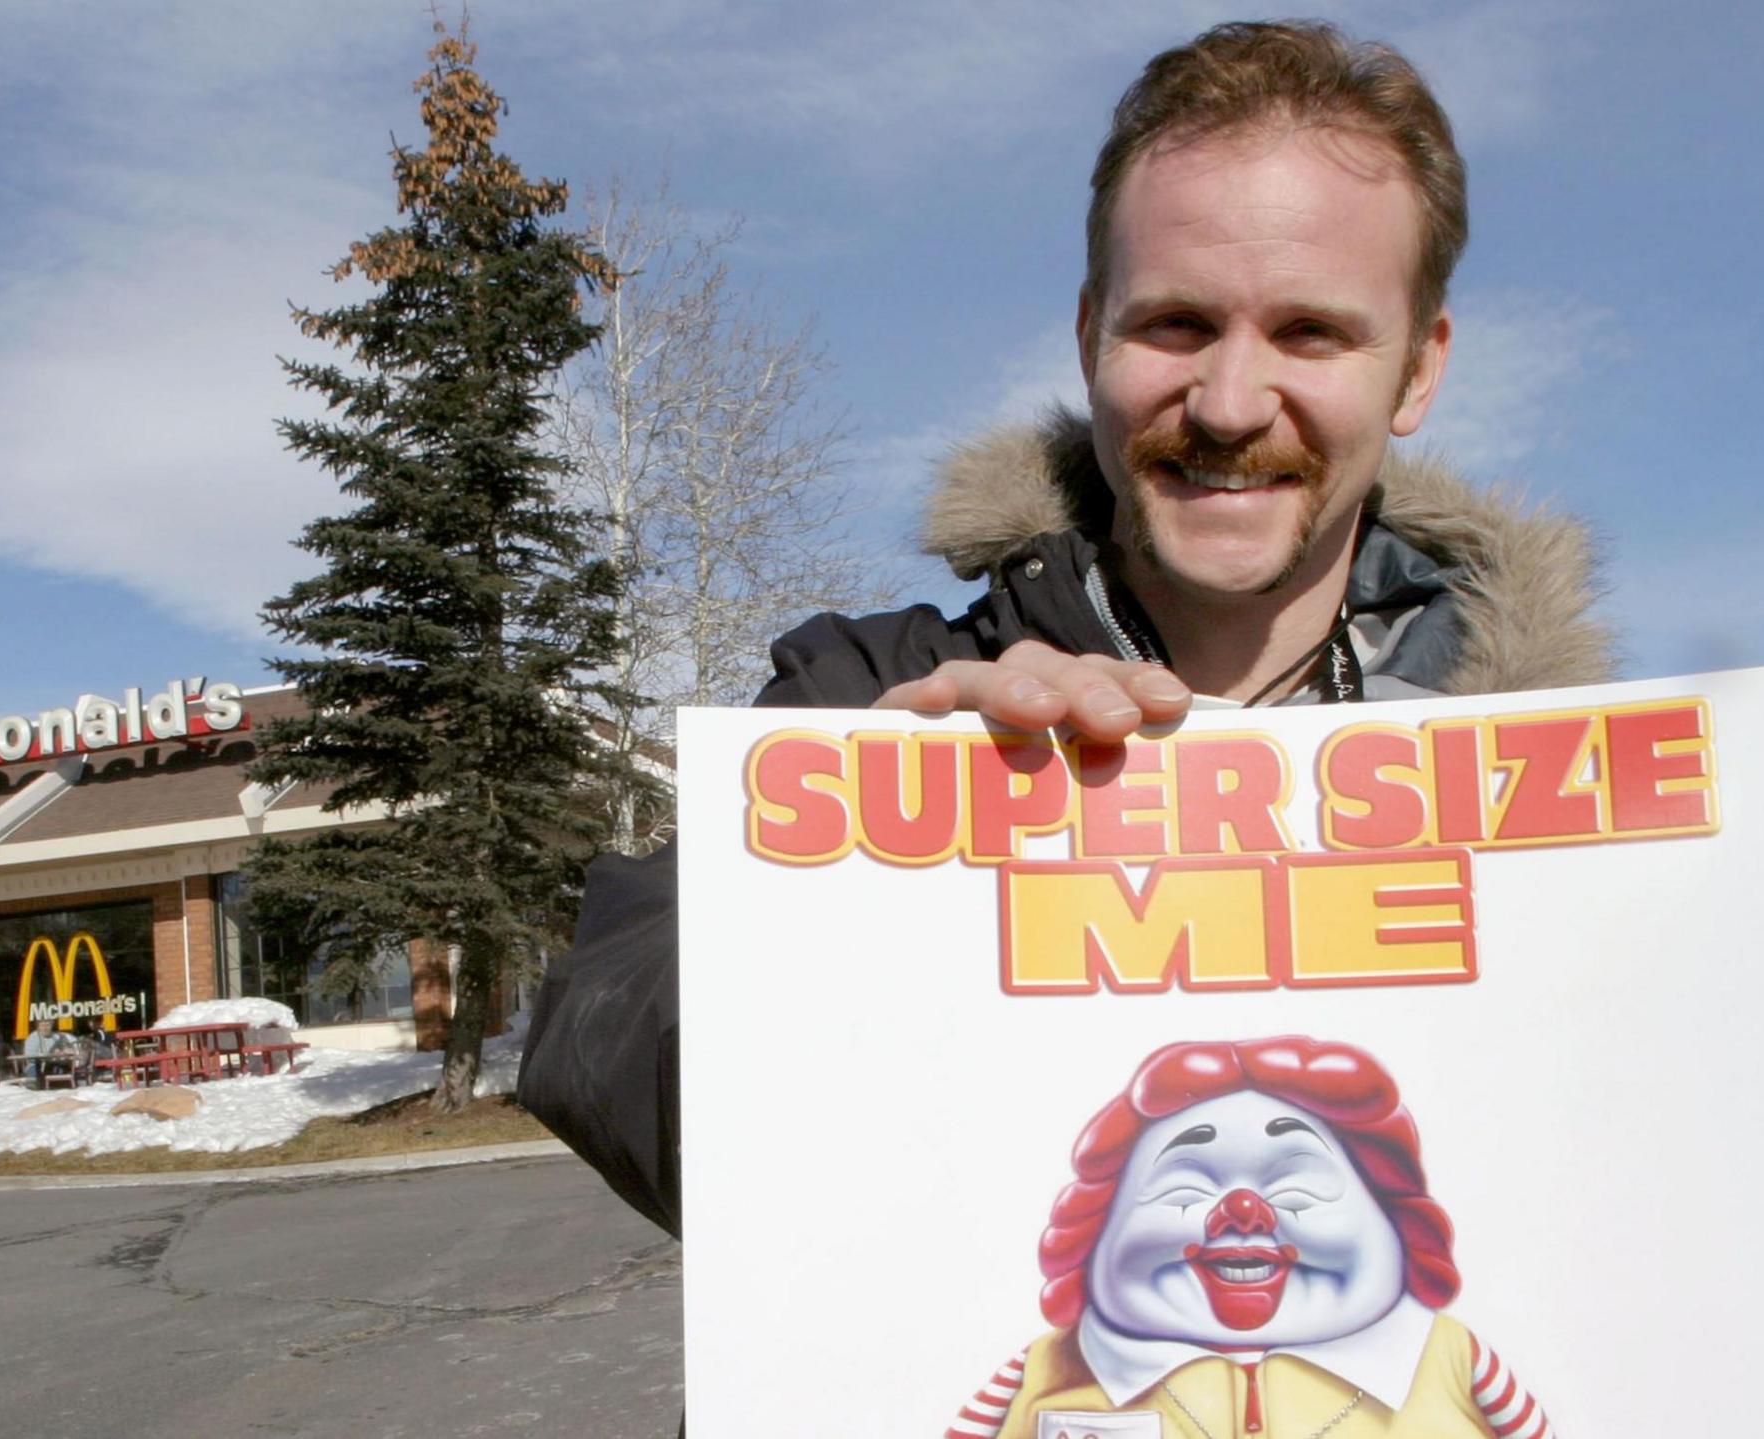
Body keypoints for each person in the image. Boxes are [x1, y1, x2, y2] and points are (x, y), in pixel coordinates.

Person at [520, 19, 1612, 1244]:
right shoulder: (864, 694)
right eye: (1176, 324)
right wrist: (845, 885)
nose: (1232, 403)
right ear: (1090, 333)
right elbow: (601, 1039)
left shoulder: (1565, 776)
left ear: (1417, 368)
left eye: (1310, 331)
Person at [944, 1036, 1551, 1439]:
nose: (1242, 1213)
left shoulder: (1448, 1357)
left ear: (1394, 1221)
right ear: (1098, 1227)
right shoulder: (1052, 1366)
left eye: (1299, 1185)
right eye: (1183, 1188)